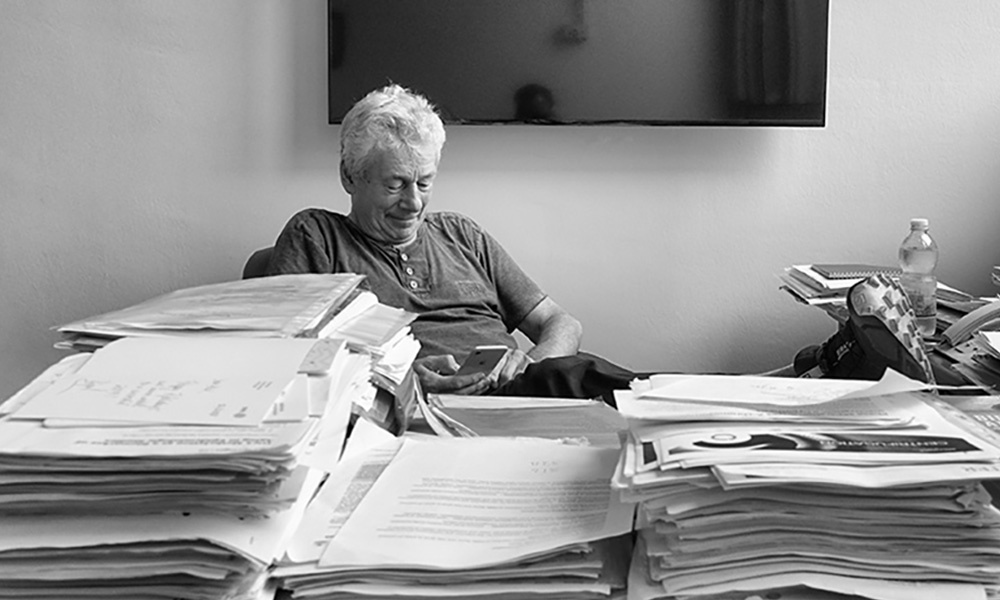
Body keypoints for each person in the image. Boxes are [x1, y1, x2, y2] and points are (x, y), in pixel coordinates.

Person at [266, 83, 636, 402]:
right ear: (350, 176)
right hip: (405, 409)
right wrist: (401, 379)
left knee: (615, 389)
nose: (413, 203)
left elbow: (561, 322)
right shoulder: (316, 236)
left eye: (424, 183)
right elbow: (287, 357)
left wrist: (531, 362)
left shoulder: (462, 235)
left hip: (519, 393)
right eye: (395, 184)